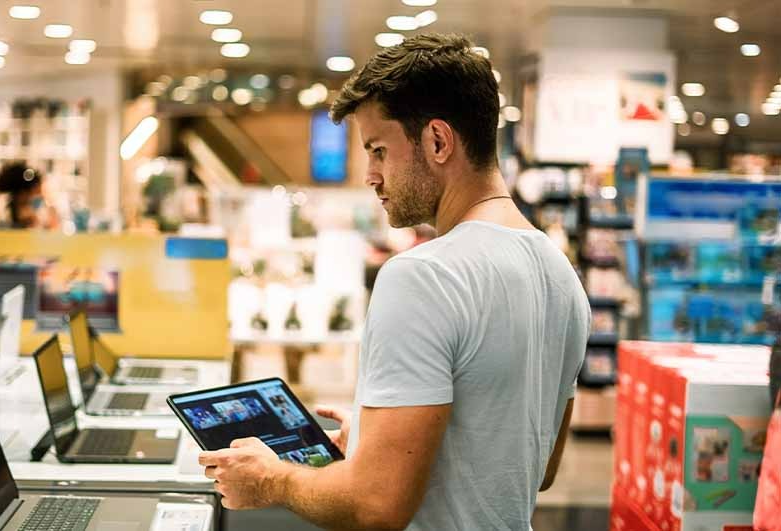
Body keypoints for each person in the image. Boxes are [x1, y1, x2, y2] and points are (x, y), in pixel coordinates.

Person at [199, 33, 590, 530]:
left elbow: (374, 505)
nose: (370, 174)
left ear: (438, 141)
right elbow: (535, 469)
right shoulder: (560, 275)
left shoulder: (423, 275)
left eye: (379, 150)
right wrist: (379, 440)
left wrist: (271, 479)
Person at [0, 162, 56, 229]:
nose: (34, 196)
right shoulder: (1, 211)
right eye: (32, 192)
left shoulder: (36, 210)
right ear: (22, 192)